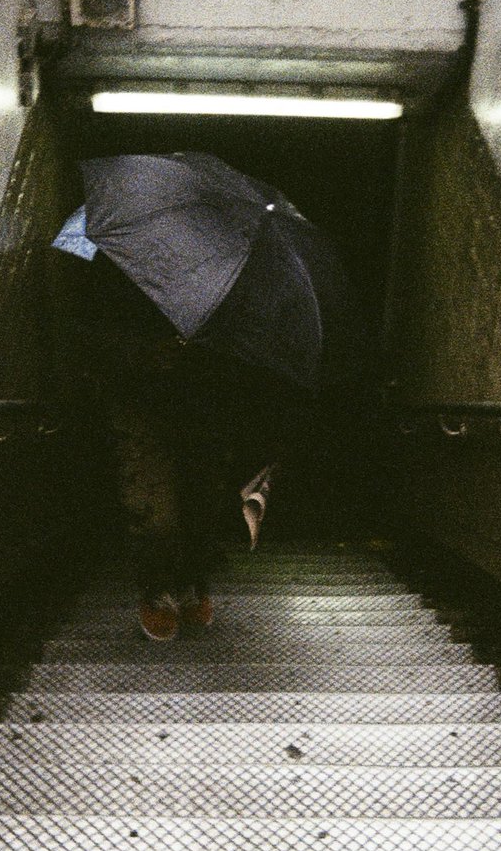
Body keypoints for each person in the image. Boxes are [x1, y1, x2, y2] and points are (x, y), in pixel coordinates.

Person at [51, 152, 350, 640]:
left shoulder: (242, 269)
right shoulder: (105, 245)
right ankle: (156, 588)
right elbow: (80, 320)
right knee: (152, 498)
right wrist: (142, 352)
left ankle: (192, 580)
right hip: (138, 395)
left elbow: (251, 349)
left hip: (207, 398)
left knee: (203, 496)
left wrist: (206, 354)